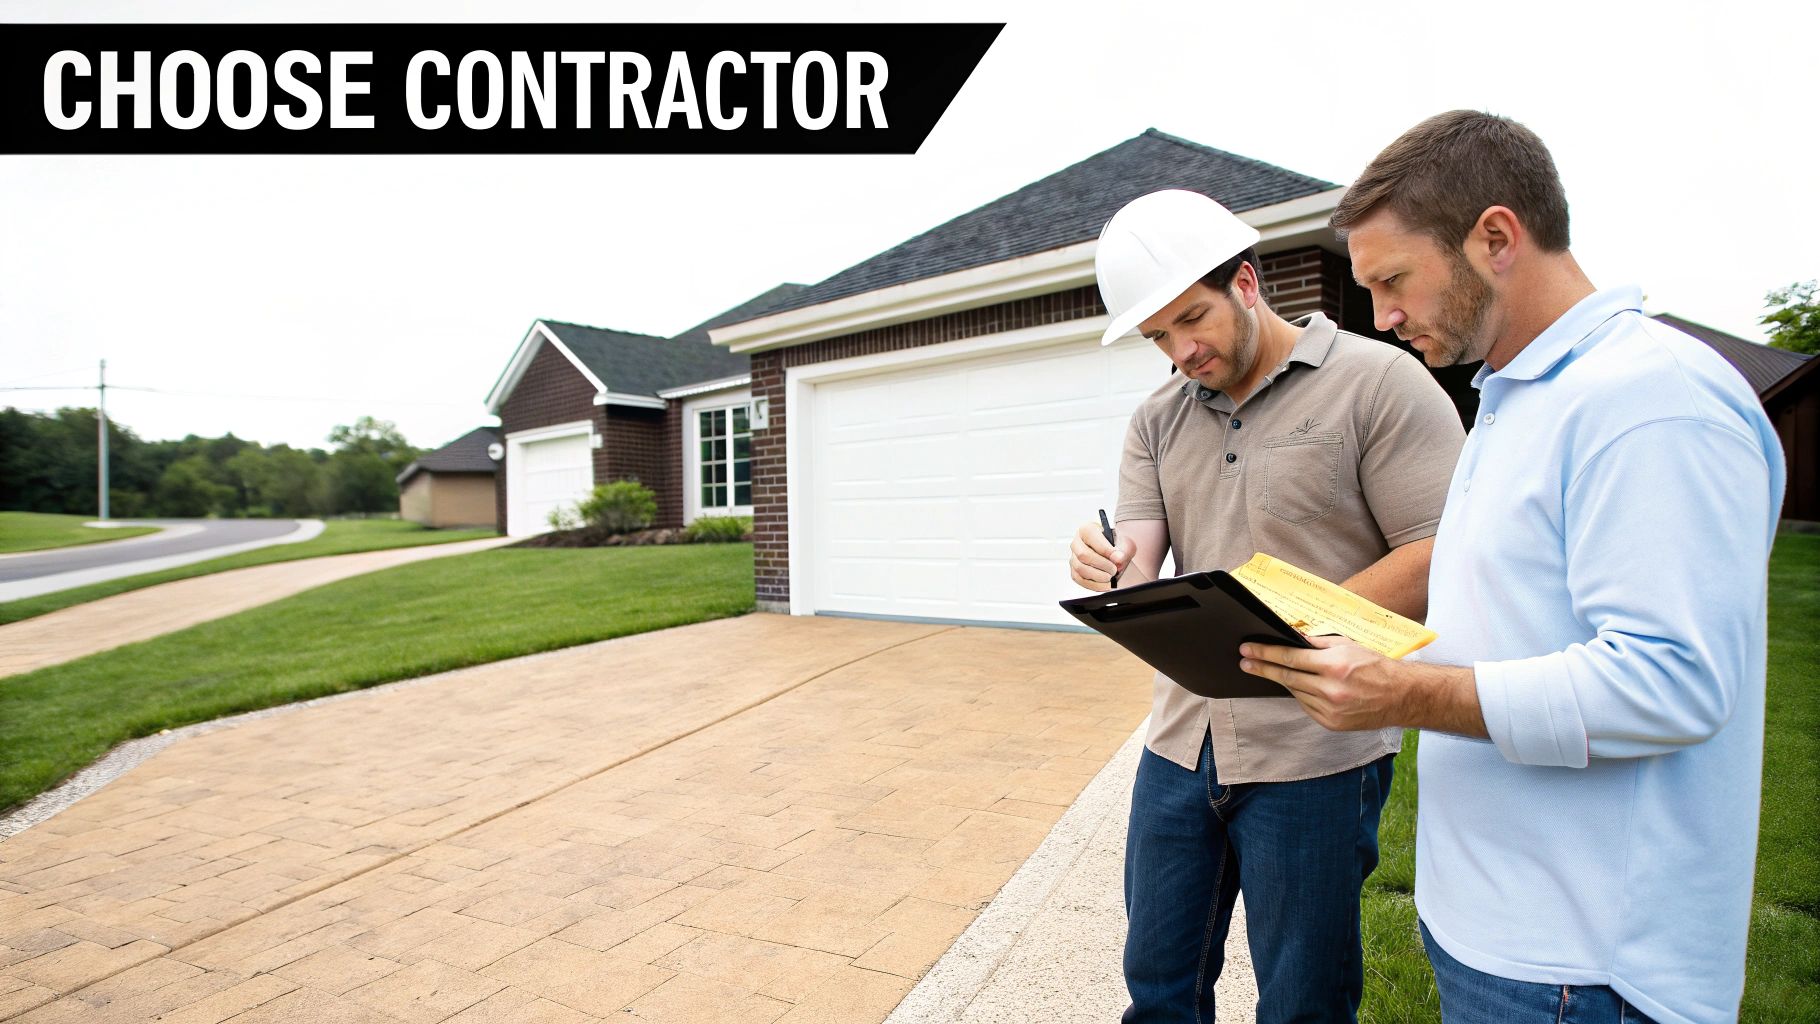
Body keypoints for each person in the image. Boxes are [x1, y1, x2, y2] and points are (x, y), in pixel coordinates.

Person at [1237, 111, 1786, 1023]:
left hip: (1586, 966)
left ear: (1495, 236)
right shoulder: (1514, 397)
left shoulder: (1649, 401)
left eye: (1393, 280)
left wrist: (1402, 696)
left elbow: (1672, 682)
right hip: (1497, 932)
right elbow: (1510, 610)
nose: (1383, 316)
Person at [1068, 188, 1464, 1023]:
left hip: (1317, 751)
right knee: (1159, 985)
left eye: (1191, 320)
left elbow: (1442, 550)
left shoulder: (1379, 383)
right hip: (1180, 744)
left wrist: (1284, 625)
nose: (1181, 351)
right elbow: (1138, 560)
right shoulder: (1155, 421)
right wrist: (1108, 565)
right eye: (1158, 338)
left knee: (1303, 1001)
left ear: (1246, 282)